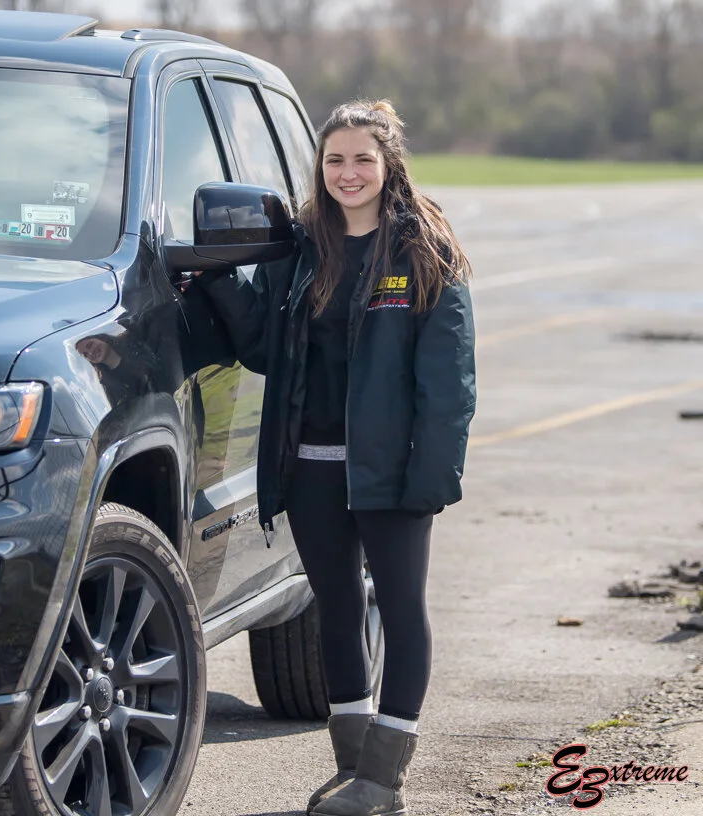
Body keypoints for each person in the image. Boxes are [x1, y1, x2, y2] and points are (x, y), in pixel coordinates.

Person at [192, 99, 476, 816]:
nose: (348, 173)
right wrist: (218, 277)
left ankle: (385, 778)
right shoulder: (302, 250)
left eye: (363, 159)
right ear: (320, 166)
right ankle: (354, 770)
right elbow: (266, 349)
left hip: (392, 472)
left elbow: (449, 383)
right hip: (311, 467)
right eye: (335, 160)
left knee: (402, 612)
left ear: (388, 165)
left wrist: (432, 475)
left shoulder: (423, 250)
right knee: (337, 611)